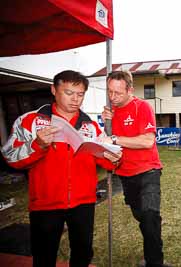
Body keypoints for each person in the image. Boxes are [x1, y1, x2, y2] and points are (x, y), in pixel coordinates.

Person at [1, 70, 121, 267]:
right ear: (53, 90)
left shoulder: (90, 126)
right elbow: (10, 158)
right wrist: (37, 145)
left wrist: (114, 158)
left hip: (83, 203)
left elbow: (105, 162)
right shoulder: (30, 121)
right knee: (44, 257)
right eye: (69, 92)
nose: (75, 99)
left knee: (82, 255)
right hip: (45, 203)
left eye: (80, 94)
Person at [101, 71, 169, 267]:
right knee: (142, 217)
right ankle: (153, 226)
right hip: (125, 173)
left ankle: (154, 262)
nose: (113, 97)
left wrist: (114, 138)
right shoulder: (110, 112)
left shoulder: (142, 107)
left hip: (148, 170)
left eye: (118, 93)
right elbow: (108, 143)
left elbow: (148, 141)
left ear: (130, 89)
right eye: (110, 92)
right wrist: (109, 125)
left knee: (149, 217)